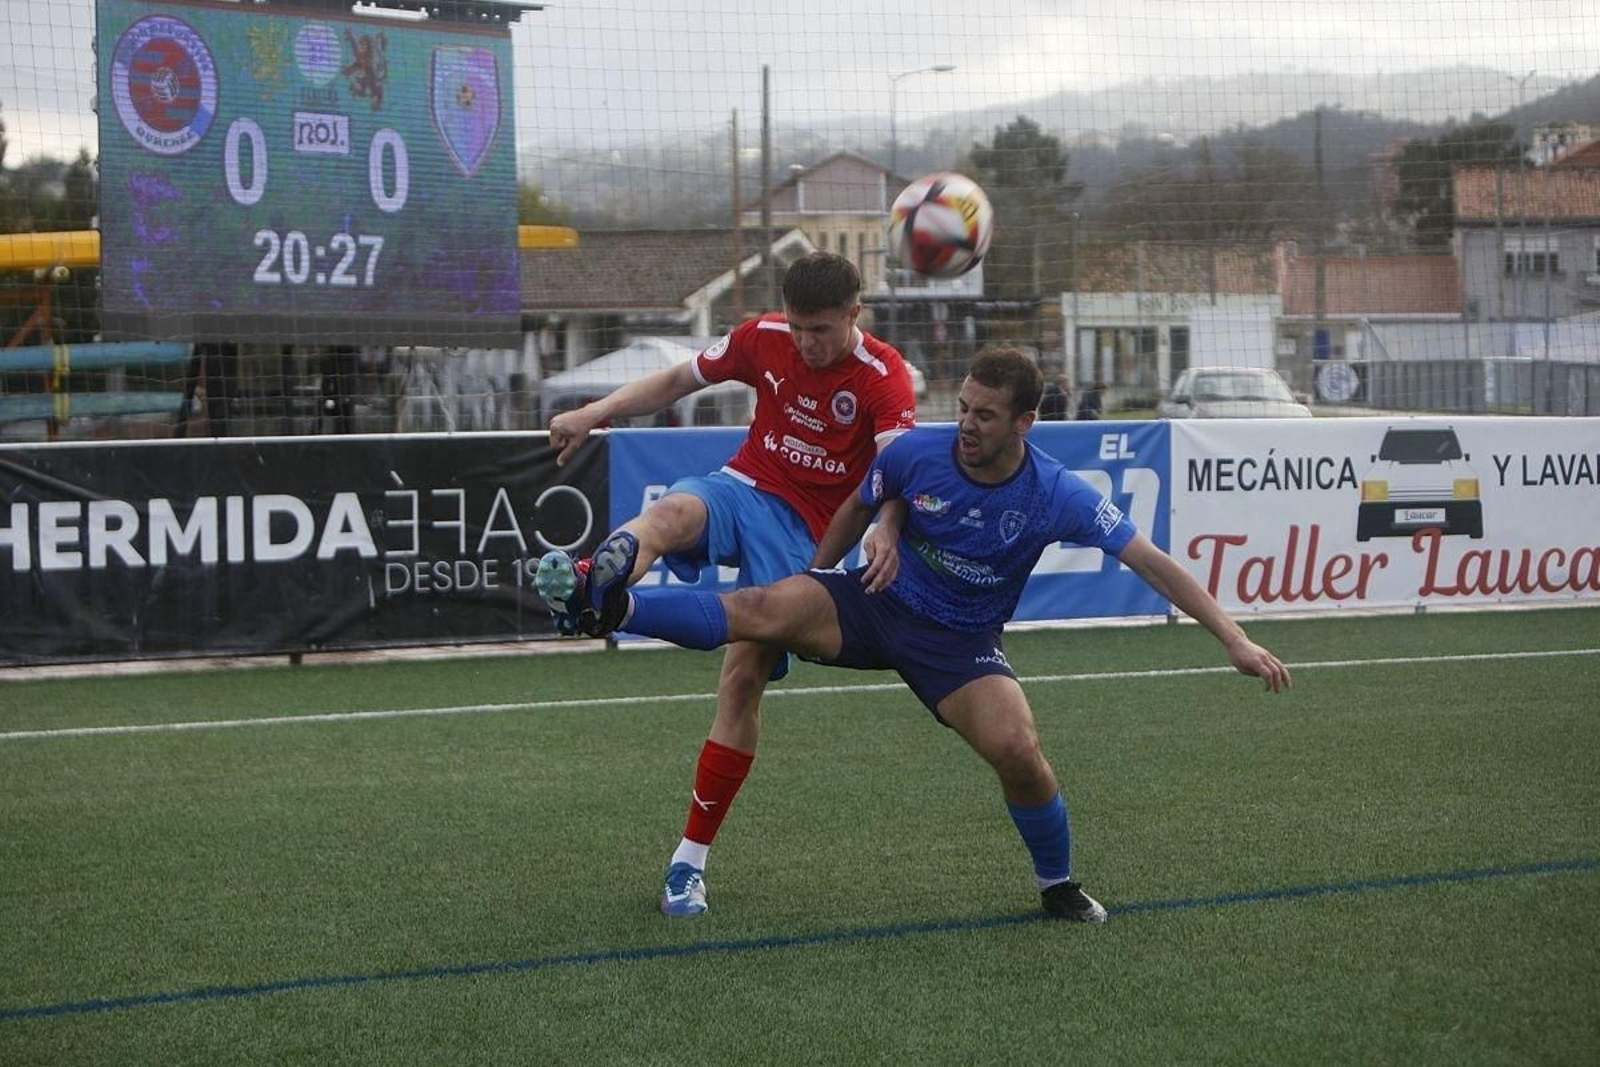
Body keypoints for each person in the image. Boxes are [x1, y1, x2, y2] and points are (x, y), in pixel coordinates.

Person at [557, 346, 1292, 921]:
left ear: (1025, 423)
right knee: (758, 609)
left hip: (960, 643)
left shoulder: (1058, 493)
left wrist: (1231, 637)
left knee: (1019, 750)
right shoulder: (918, 452)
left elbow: (1153, 562)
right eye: (965, 407)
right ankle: (612, 610)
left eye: (986, 415)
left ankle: (1057, 883)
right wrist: (817, 576)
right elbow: (859, 501)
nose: (968, 425)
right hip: (875, 604)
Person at [537, 252, 918, 917]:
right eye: (799, 327)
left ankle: (688, 862)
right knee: (669, 515)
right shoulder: (762, 336)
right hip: (742, 486)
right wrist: (594, 412)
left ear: (855, 314)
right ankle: (590, 591)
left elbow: (895, 469)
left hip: (807, 539)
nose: (806, 342)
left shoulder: (885, 377)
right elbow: (675, 380)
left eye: (821, 329)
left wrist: (887, 524)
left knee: (742, 678)